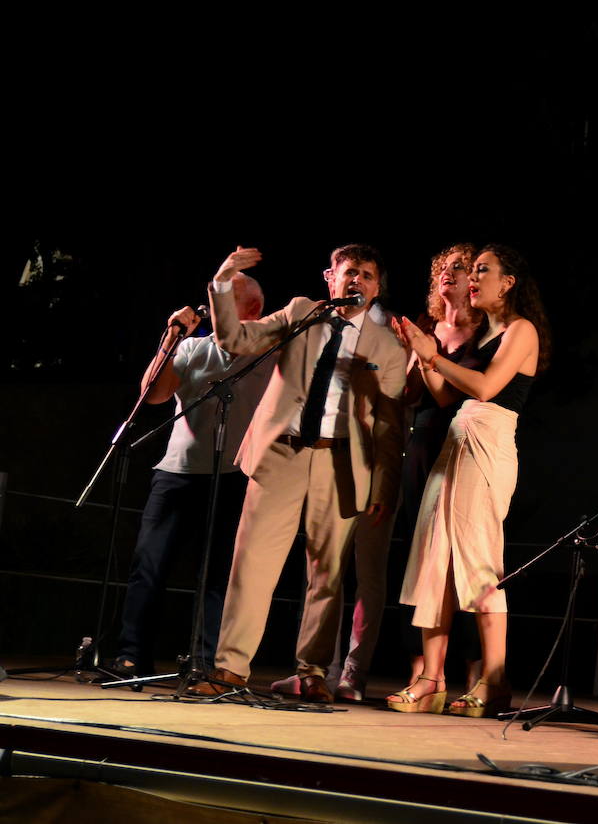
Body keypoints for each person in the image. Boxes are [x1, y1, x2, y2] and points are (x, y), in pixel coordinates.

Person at [189, 245, 406, 703]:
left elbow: (389, 425)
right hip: (281, 454)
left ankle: (312, 673)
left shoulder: (387, 345)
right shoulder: (302, 313)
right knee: (252, 565)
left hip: (341, 464)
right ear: (331, 277)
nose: (357, 281)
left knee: (328, 575)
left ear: (377, 288)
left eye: (367, 276)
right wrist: (223, 283)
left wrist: (383, 486)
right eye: (350, 272)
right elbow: (235, 339)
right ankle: (230, 669)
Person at [390, 244, 548, 717]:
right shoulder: (483, 337)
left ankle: (494, 681)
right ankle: (431, 680)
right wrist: (423, 353)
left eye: (483, 270)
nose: (473, 279)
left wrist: (435, 358)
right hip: (455, 444)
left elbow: (484, 388)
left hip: (487, 444)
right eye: (472, 270)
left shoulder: (521, 330)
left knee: (480, 563)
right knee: (434, 561)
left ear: (509, 282)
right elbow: (444, 398)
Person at [114, 276, 273, 677]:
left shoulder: (268, 351)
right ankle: (131, 656)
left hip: (233, 475)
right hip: (176, 472)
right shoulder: (192, 347)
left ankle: (205, 662)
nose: (214, 308)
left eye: (226, 300)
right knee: (148, 565)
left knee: (217, 575)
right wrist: (170, 339)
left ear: (253, 310)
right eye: (212, 299)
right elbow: (153, 395)